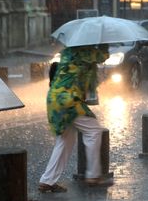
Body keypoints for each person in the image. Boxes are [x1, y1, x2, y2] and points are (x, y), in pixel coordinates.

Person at [39, 44, 111, 193]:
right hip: (69, 100)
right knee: (94, 131)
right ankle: (93, 175)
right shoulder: (85, 52)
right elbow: (102, 56)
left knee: (65, 140)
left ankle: (47, 181)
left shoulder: (68, 52)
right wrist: (105, 44)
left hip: (55, 99)